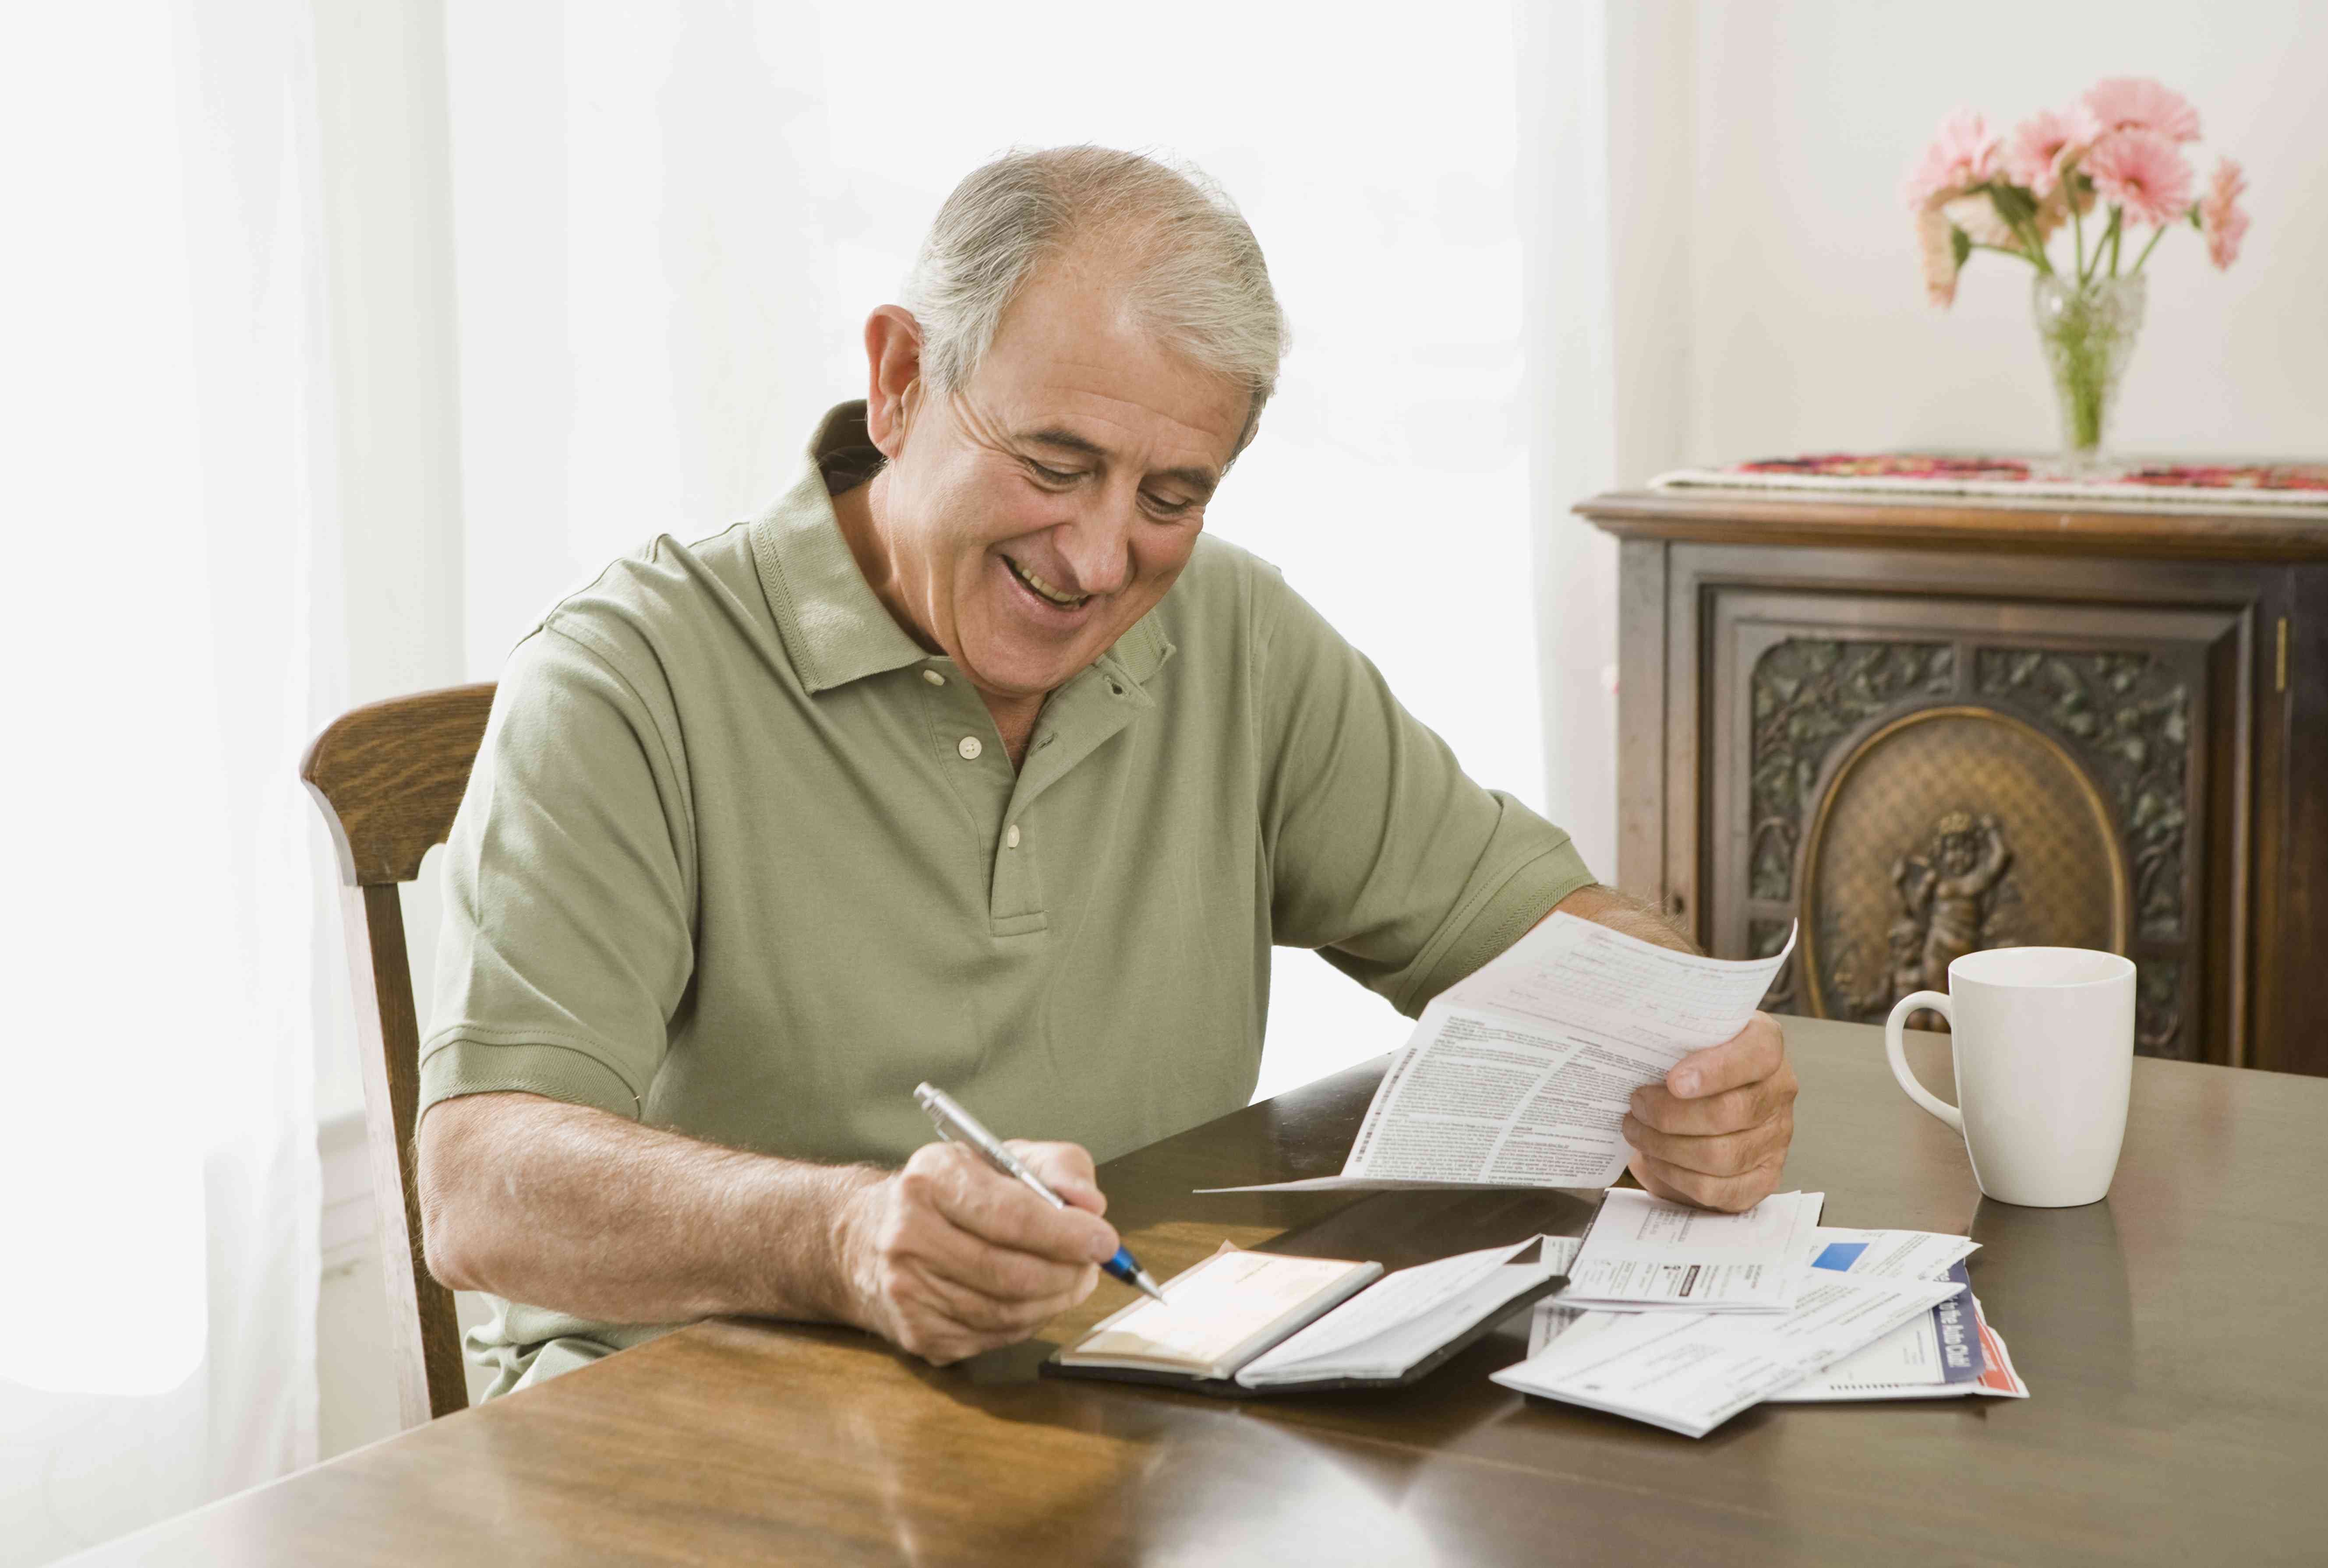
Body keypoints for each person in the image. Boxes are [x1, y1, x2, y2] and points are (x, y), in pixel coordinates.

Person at [416, 146, 1797, 1393]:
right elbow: (476, 1189)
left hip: (1112, 1405)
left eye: (1169, 496)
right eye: (1053, 463)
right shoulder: (624, 677)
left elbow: (1547, 939)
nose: (1094, 560)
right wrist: (844, 1235)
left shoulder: (1237, 635)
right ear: (900, 381)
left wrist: (1688, 1064)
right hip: (681, 1435)